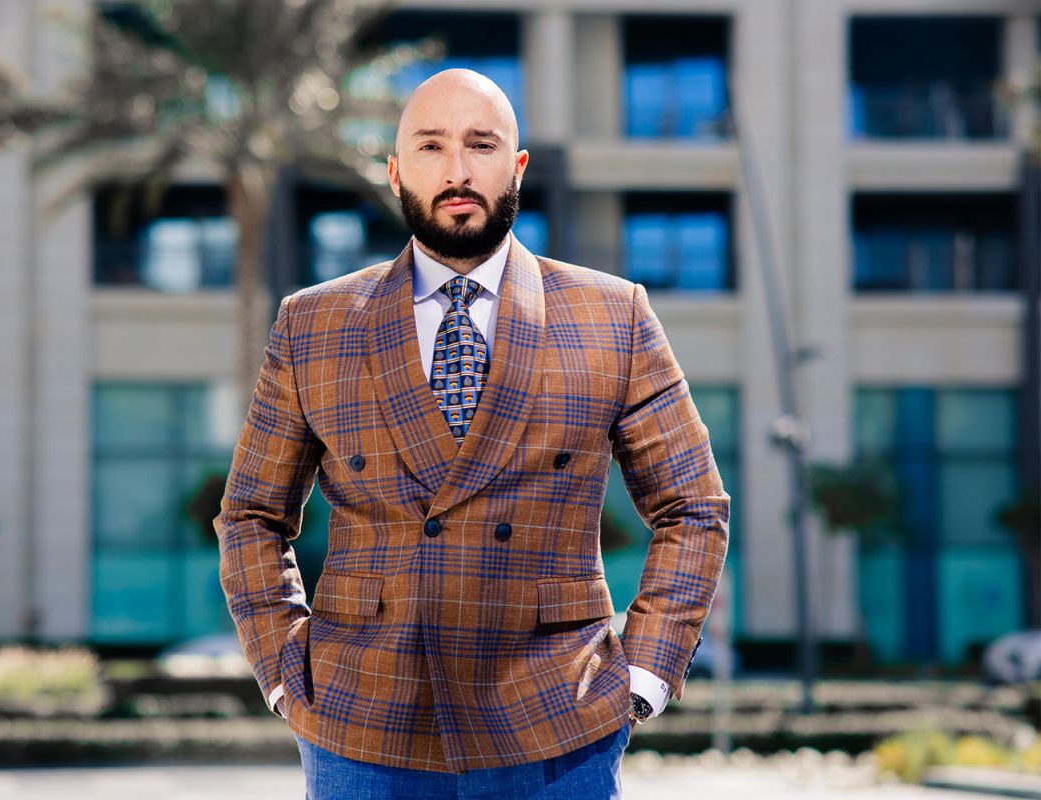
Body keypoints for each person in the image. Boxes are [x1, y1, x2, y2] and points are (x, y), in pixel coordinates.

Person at [214, 68, 730, 799]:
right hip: (361, 725)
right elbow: (250, 515)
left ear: (516, 167)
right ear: (396, 171)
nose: (457, 171)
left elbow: (694, 507)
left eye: (481, 145)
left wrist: (644, 674)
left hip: (558, 722)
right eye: (430, 147)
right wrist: (282, 671)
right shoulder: (314, 323)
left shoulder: (613, 315)